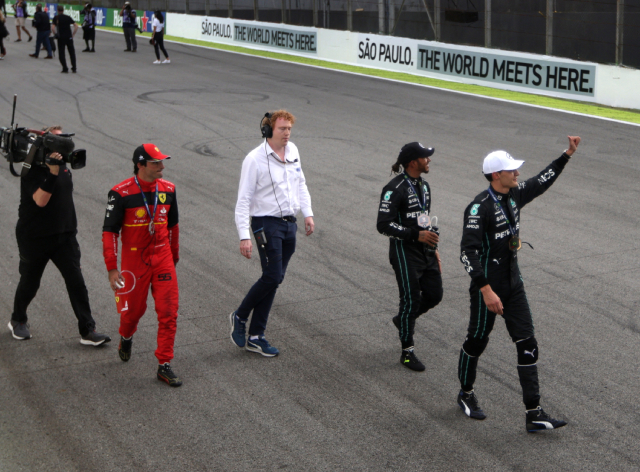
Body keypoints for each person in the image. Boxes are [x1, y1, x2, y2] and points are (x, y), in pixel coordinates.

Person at [456, 136, 581, 432]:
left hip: (514, 283)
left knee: (528, 344)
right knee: (477, 341)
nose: (518, 173)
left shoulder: (515, 194)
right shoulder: (479, 208)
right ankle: (465, 393)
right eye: (512, 170)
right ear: (496, 175)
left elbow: (542, 180)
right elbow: (466, 252)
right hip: (487, 287)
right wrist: (485, 290)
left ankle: (534, 412)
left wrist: (567, 155)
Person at [8, 126, 111, 347]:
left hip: (64, 237)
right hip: (34, 237)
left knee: (77, 283)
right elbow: (41, 201)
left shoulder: (64, 167)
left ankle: (88, 330)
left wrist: (72, 232)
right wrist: (52, 173)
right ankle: (17, 319)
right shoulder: (31, 170)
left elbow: (65, 204)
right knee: (30, 282)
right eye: (58, 137)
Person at [230, 110, 314, 357]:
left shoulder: (294, 151)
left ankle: (256, 337)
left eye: (289, 128)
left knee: (274, 279)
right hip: (265, 224)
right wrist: (244, 235)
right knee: (273, 276)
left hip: (289, 224)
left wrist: (307, 213)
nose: (287, 133)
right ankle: (240, 315)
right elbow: (243, 200)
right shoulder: (254, 159)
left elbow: (301, 184)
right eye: (282, 129)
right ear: (268, 130)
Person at [102, 144, 182, 387]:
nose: (162, 167)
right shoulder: (119, 193)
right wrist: (112, 268)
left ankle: (164, 364)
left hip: (163, 257)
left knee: (169, 313)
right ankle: (126, 336)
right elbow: (109, 232)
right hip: (133, 260)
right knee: (132, 313)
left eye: (161, 162)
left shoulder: (169, 190)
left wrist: (174, 257)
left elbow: (173, 227)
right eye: (156, 163)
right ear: (141, 165)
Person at [376, 143, 443, 371]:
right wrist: (415, 235)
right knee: (411, 300)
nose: (429, 161)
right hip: (404, 252)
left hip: (425, 251)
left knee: (435, 295)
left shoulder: (424, 186)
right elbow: (383, 225)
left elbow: (423, 219)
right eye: (426, 157)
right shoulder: (393, 188)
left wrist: (434, 248)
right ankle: (407, 351)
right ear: (413, 162)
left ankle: (403, 319)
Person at [51, 5, 77, 73]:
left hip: (61, 38)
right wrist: (73, 34)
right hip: (69, 37)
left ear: (57, 10)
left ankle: (65, 67)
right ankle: (74, 67)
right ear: (63, 10)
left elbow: (53, 28)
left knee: (61, 53)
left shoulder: (56, 18)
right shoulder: (68, 17)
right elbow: (76, 26)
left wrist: (55, 34)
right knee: (72, 53)